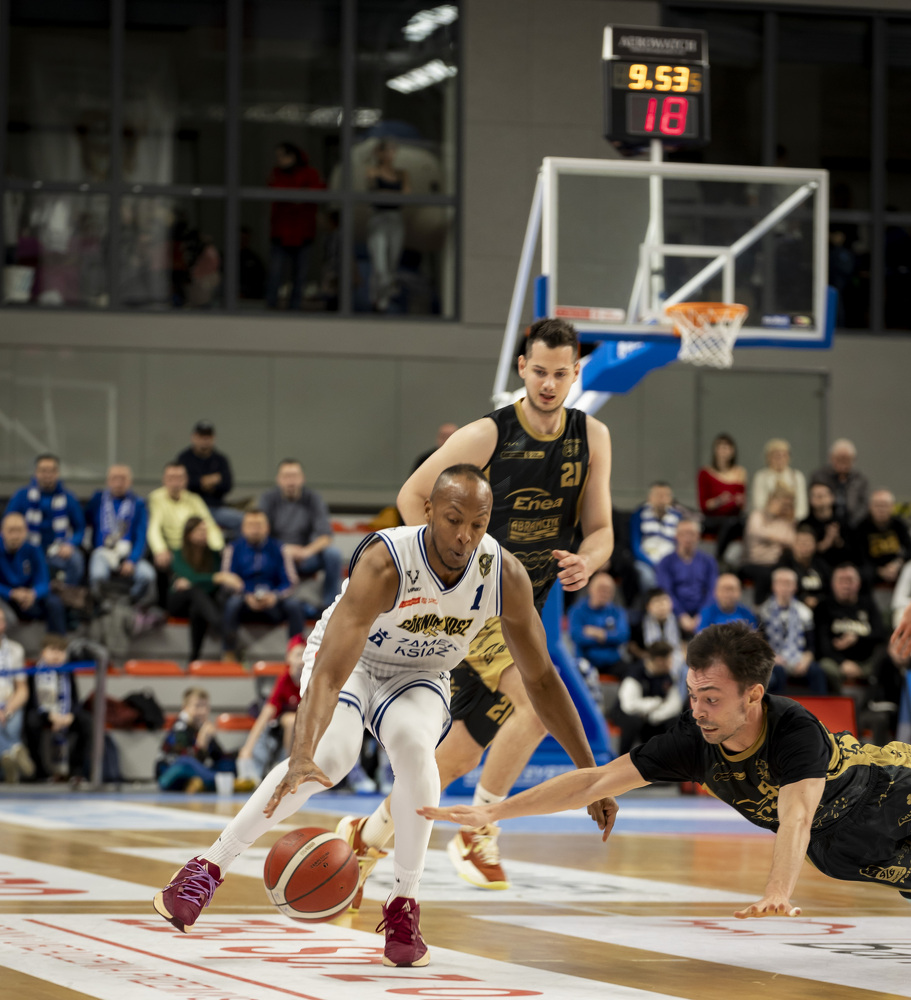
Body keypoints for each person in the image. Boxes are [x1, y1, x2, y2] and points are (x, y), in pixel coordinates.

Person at [152, 466, 610, 968]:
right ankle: (205, 870)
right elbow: (329, 674)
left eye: (477, 524)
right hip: (351, 662)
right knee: (330, 758)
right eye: (453, 519)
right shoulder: (386, 560)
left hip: (422, 672)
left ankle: (403, 906)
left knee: (417, 756)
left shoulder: (503, 573)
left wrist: (591, 776)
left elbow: (542, 680)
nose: (464, 535)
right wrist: (302, 752)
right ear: (428, 511)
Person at [341, 317, 615, 895]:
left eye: (559, 374)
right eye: (538, 372)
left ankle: (366, 836)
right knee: (536, 706)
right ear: (522, 368)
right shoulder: (487, 434)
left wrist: (588, 561)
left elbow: (601, 529)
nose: (548, 384)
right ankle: (477, 829)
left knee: (453, 761)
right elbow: (412, 495)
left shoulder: (592, 437)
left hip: (523, 610)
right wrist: (446, 572)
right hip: (474, 604)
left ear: (575, 373)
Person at [420, 622, 911, 916]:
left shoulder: (792, 728)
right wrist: (493, 813)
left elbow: (797, 816)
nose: (698, 710)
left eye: (711, 698)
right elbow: (594, 782)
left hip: (894, 795)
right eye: (693, 695)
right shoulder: (693, 741)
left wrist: (777, 891)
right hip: (837, 852)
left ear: (753, 695)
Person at [258, 459, 341, 614]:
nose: (291, 481)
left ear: (302, 478)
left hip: (305, 556)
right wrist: (283, 549)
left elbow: (326, 536)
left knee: (333, 554)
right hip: (276, 555)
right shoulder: (268, 499)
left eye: (295, 476)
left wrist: (305, 552)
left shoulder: (313, 498)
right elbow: (258, 532)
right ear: (278, 479)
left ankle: (330, 607)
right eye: (286, 476)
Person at [220, 510, 305, 660]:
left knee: (294, 605)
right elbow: (227, 579)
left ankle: (296, 653)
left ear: (267, 528)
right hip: (245, 602)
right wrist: (245, 595)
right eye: (250, 525)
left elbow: (291, 581)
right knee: (232, 603)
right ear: (243, 528)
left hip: (272, 602)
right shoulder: (232, 548)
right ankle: (229, 652)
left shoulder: (280, 548)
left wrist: (275, 596)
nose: (255, 529)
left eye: (258, 525)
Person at [147, 463, 225, 604]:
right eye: (171, 478)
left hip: (196, 547)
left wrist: (218, 548)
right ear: (164, 480)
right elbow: (154, 527)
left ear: (186, 480)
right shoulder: (156, 498)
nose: (175, 482)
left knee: (217, 557)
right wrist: (159, 549)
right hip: (172, 550)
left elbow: (209, 524)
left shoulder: (194, 499)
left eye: (179, 478)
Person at [5, 453, 85, 587]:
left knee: (76, 560)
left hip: (57, 550)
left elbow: (80, 528)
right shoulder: (21, 496)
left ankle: (66, 592)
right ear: (36, 472)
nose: (47, 475)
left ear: (57, 473)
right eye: (43, 471)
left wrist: (70, 544)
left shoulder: (69, 498)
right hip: (27, 549)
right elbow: (7, 523)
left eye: (51, 471)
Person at [236, 634, 305, 783]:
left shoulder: (311, 680)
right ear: (288, 657)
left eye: (305, 655)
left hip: (306, 727)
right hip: (281, 729)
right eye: (298, 655)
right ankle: (288, 766)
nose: (301, 660)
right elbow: (266, 714)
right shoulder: (284, 680)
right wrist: (247, 748)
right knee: (292, 720)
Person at [168, 517, 239, 662]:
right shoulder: (178, 553)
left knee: (197, 606)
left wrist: (199, 581)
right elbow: (189, 577)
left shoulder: (213, 555)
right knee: (194, 592)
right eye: (199, 531)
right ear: (189, 533)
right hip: (178, 601)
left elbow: (206, 584)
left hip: (202, 603)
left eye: (205, 531)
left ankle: (194, 658)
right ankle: (222, 627)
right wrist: (214, 578)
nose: (203, 534)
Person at [24, 635, 92, 782]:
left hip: (65, 713)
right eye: (52, 650)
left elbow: (74, 699)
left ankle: (77, 771)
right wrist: (49, 715)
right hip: (43, 714)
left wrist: (70, 715)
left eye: (61, 651)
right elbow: (33, 702)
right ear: (43, 652)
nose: (57, 655)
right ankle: (40, 772)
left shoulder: (68, 671)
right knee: (31, 722)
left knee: (87, 722)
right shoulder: (34, 671)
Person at [85, 464, 155, 607]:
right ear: (108, 481)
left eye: (123, 479)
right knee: (98, 575)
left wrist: (132, 560)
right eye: (114, 479)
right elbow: (83, 521)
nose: (118, 483)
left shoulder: (138, 504)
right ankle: (103, 606)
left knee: (148, 576)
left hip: (128, 554)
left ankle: (127, 603)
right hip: (103, 552)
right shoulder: (98, 500)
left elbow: (141, 536)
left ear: (130, 482)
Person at [266, 142, 325, 310]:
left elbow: (318, 191)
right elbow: (275, 191)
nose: (278, 160)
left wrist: (297, 196)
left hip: (303, 232)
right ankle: (271, 307)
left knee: (300, 275)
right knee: (275, 273)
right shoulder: (276, 174)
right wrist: (298, 196)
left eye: (281, 156)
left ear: (292, 157)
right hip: (281, 232)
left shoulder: (310, 173)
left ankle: (295, 308)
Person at [814, 563, 886, 695]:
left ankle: (877, 701)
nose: (846, 585)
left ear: (858, 583)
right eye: (841, 580)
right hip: (836, 663)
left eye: (850, 580)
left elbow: (881, 635)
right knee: (825, 667)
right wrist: (842, 662)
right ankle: (837, 702)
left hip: (866, 663)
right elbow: (821, 645)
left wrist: (857, 639)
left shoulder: (868, 604)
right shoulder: (823, 607)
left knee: (885, 657)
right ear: (832, 583)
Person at [757, 567, 826, 695]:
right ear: (773, 586)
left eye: (788, 583)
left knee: (817, 671)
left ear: (795, 587)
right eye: (781, 583)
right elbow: (760, 643)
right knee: (776, 672)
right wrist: (773, 658)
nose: (784, 587)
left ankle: (821, 706)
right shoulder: (763, 612)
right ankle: (778, 707)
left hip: (799, 658)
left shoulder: (804, 612)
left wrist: (805, 660)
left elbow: (811, 645)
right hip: (774, 659)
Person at [607, 641, 683, 756]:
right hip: (625, 714)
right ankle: (621, 757)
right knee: (633, 721)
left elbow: (675, 704)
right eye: (669, 660)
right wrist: (655, 703)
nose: (671, 663)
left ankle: (665, 759)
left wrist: (656, 716)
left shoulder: (667, 676)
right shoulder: (635, 673)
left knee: (676, 720)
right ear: (660, 661)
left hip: (652, 716)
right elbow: (629, 705)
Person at [0, 512, 67, 635]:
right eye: (11, 530)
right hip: (5, 597)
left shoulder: (33, 549)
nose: (15, 535)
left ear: (26, 532)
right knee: (5, 617)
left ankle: (56, 643)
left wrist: (33, 594)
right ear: (2, 531)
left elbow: (44, 581)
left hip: (28, 596)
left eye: (19, 530)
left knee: (54, 603)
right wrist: (11, 593)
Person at [156, 687, 234, 792]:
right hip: (169, 775)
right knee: (186, 762)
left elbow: (218, 756)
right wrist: (201, 744)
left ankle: (204, 782)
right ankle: (220, 781)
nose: (202, 711)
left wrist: (237, 755)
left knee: (227, 763)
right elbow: (186, 759)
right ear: (185, 708)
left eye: (205, 706)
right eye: (197, 706)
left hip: (195, 773)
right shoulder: (180, 727)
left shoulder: (203, 727)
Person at [175, 421, 243, 535]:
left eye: (208, 436)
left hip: (215, 507)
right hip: (189, 508)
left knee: (242, 520)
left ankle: (233, 547)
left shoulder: (220, 459)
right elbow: (185, 484)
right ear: (194, 437)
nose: (205, 439)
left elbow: (227, 485)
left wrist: (201, 483)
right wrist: (206, 481)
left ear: (213, 438)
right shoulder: (184, 458)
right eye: (201, 436)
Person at [366, 139, 410, 312]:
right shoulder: (373, 171)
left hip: (395, 218)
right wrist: (392, 194)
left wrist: (386, 193)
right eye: (389, 151)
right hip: (379, 218)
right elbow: (374, 193)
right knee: (380, 264)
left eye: (394, 151)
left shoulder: (402, 173)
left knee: (392, 263)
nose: (392, 154)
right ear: (380, 153)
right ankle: (376, 300)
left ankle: (383, 300)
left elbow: (406, 195)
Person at [655, 519, 718, 637]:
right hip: (674, 613)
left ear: (698, 536)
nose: (687, 538)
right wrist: (681, 614)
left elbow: (712, 590)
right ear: (676, 536)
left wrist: (702, 615)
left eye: (691, 534)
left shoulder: (709, 561)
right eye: (683, 534)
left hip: (703, 613)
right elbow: (666, 591)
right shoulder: (665, 562)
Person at [740, 486, 797, 604]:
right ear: (772, 500)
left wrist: (770, 539)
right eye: (783, 503)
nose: (784, 508)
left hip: (775, 563)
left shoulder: (786, 521)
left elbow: (791, 541)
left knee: (788, 572)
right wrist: (778, 541)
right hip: (753, 563)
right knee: (765, 575)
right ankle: (759, 607)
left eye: (788, 505)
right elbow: (756, 532)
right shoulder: (757, 515)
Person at [567, 571, 630, 677]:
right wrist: (608, 637)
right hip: (586, 660)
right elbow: (576, 636)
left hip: (612, 662)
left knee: (631, 672)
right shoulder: (577, 610)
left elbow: (622, 636)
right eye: (601, 589)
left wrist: (597, 633)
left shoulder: (617, 612)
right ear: (590, 589)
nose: (605, 593)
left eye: (609, 590)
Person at [696, 432, 746, 558]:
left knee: (749, 522)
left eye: (727, 447)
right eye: (721, 447)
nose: (724, 451)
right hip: (712, 518)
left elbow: (742, 505)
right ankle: (718, 559)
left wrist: (739, 501)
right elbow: (704, 506)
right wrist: (719, 500)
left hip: (735, 518)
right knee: (729, 522)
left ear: (733, 451)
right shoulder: (705, 473)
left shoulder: (740, 472)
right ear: (715, 450)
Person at [0, 607, 34, 783]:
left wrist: (7, 710)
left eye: (1, 620)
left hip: (9, 702)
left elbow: (22, 688)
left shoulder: (15, 649)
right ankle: (14, 749)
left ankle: (8, 757)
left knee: (12, 725)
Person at [853, 489, 911, 590]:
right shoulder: (861, 527)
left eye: (885, 505)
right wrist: (879, 571)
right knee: (859, 573)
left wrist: (897, 564)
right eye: (877, 505)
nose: (881, 509)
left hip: (896, 566)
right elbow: (859, 557)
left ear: (892, 507)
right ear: (870, 507)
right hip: (872, 569)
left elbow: (909, 549)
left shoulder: (899, 524)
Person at [630, 482, 684, 592]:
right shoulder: (638, 515)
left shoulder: (678, 517)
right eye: (658, 495)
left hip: (671, 561)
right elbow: (635, 545)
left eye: (665, 495)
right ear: (649, 497)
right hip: (646, 561)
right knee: (647, 577)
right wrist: (653, 564)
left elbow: (681, 545)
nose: (662, 499)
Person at [810, 439, 870, 530]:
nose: (843, 463)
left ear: (854, 460)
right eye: (839, 459)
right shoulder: (819, 476)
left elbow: (864, 505)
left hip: (854, 524)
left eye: (846, 459)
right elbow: (812, 500)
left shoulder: (860, 479)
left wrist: (851, 523)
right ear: (831, 458)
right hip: (822, 522)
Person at [799, 481, 854, 569]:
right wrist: (826, 542)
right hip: (814, 568)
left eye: (824, 495)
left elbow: (853, 552)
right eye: (816, 495)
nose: (820, 498)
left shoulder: (843, 522)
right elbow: (802, 552)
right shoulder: (805, 524)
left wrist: (837, 540)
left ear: (832, 497)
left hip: (841, 567)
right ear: (810, 500)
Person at [751, 438, 808, 522]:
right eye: (777, 455)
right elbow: (758, 504)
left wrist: (795, 521)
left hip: (792, 522)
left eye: (784, 455)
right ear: (768, 457)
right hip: (768, 521)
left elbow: (801, 505)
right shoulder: (761, 477)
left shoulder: (797, 476)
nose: (781, 459)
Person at [776, 524, 830, 611]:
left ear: (815, 544)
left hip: (821, 608)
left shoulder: (821, 565)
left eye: (808, 542)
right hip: (792, 609)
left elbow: (829, 589)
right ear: (793, 544)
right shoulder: (784, 565)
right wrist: (803, 598)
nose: (804, 545)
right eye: (800, 542)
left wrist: (818, 599)